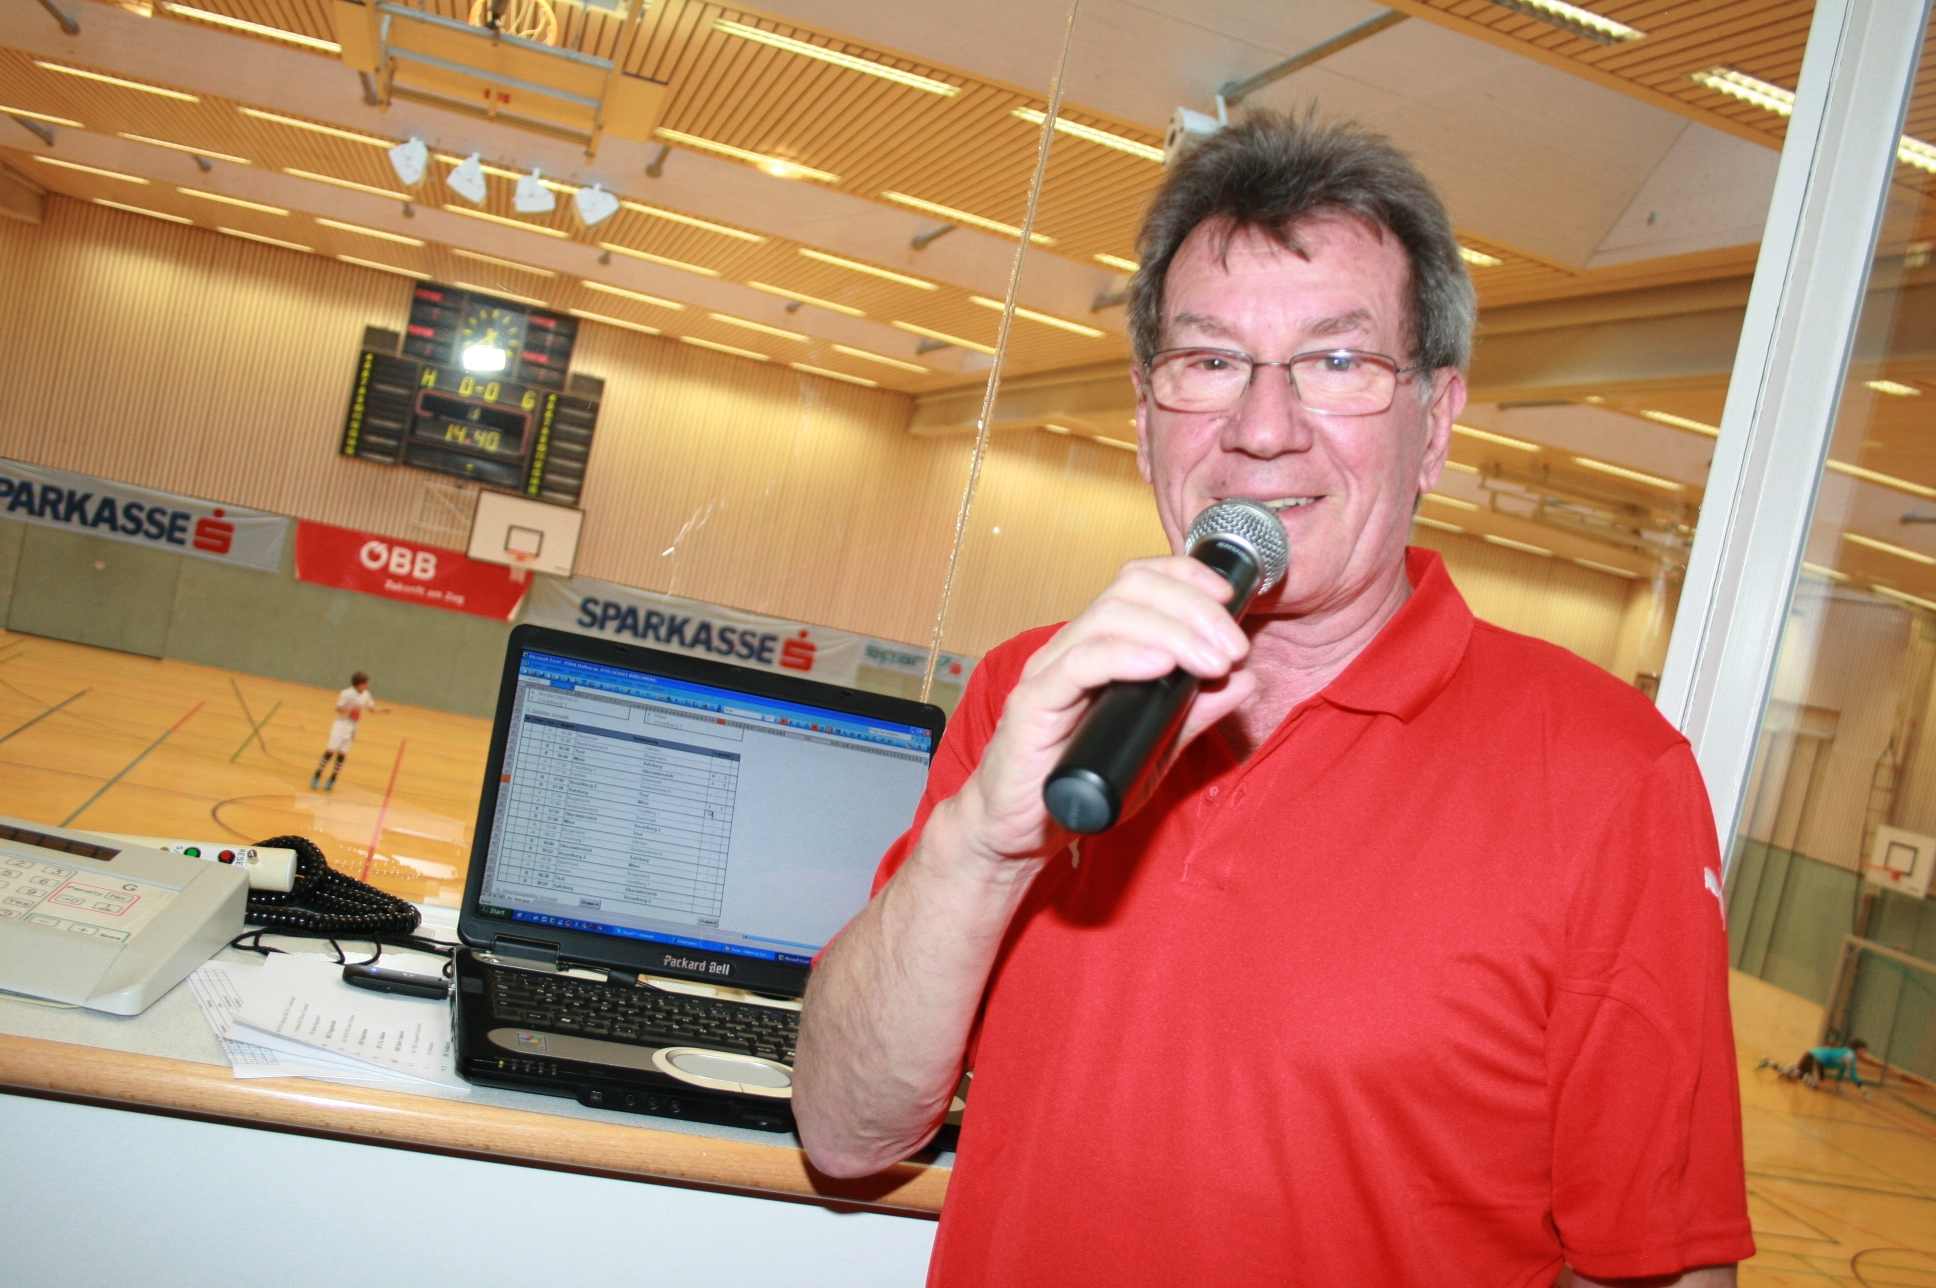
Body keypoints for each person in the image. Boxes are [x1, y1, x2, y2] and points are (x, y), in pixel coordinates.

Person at [793, 109, 1753, 1286]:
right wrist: (982, 845)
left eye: (1336, 362)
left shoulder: (1609, 779)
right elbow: (844, 1131)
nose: (1259, 428)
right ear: (1146, 413)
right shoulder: (1033, 694)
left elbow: (1658, 1265)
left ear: (1435, 423)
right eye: (1209, 361)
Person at [310, 671, 385, 792]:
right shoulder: (346, 693)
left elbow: (371, 708)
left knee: (342, 753)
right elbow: (338, 709)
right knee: (331, 750)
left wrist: (382, 710)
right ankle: (317, 774)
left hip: (352, 727)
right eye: (365, 683)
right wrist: (350, 712)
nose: (367, 686)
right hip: (341, 725)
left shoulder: (366, 694)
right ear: (358, 684)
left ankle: (333, 778)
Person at [1761, 1040, 1869, 1091]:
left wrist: (1838, 1084)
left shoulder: (1847, 1053)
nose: (1864, 1054)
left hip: (1811, 1054)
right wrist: (1861, 1086)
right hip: (1816, 1058)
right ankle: (1803, 1075)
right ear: (1858, 1049)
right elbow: (1853, 1074)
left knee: (1795, 1075)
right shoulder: (1850, 1056)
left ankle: (1769, 1062)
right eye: (1864, 1051)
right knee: (1815, 1085)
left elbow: (1842, 1069)